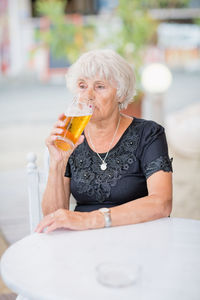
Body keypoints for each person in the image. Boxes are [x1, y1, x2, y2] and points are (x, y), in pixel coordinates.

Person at [35, 49, 173, 233]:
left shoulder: (148, 133)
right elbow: (53, 218)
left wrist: (90, 219)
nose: (89, 95)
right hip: (82, 241)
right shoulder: (71, 139)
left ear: (121, 94)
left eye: (100, 87)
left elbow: (162, 204)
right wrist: (57, 163)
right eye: (82, 86)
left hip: (138, 236)